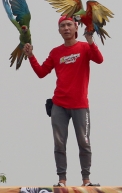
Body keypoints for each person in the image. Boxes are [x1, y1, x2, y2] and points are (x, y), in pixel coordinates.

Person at [23, 16, 103, 187]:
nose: (66, 28)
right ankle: (62, 180)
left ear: (76, 27)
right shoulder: (56, 52)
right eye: (62, 26)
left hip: (80, 104)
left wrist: (90, 41)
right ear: (58, 30)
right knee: (59, 143)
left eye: (69, 25)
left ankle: (86, 180)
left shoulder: (83, 47)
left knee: (84, 142)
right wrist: (31, 56)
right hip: (59, 104)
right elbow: (42, 72)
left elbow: (99, 59)